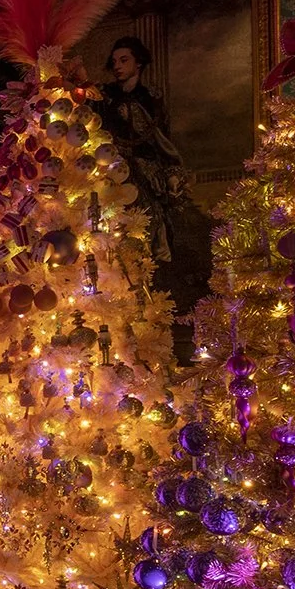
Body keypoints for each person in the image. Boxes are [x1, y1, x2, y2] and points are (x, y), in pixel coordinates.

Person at [96, 34, 213, 354]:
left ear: (139, 63)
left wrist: (168, 173)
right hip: (113, 174)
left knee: (156, 228)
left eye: (124, 60)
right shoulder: (105, 99)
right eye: (115, 61)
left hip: (146, 173)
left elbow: (161, 143)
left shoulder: (150, 99)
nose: (118, 66)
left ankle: (155, 306)